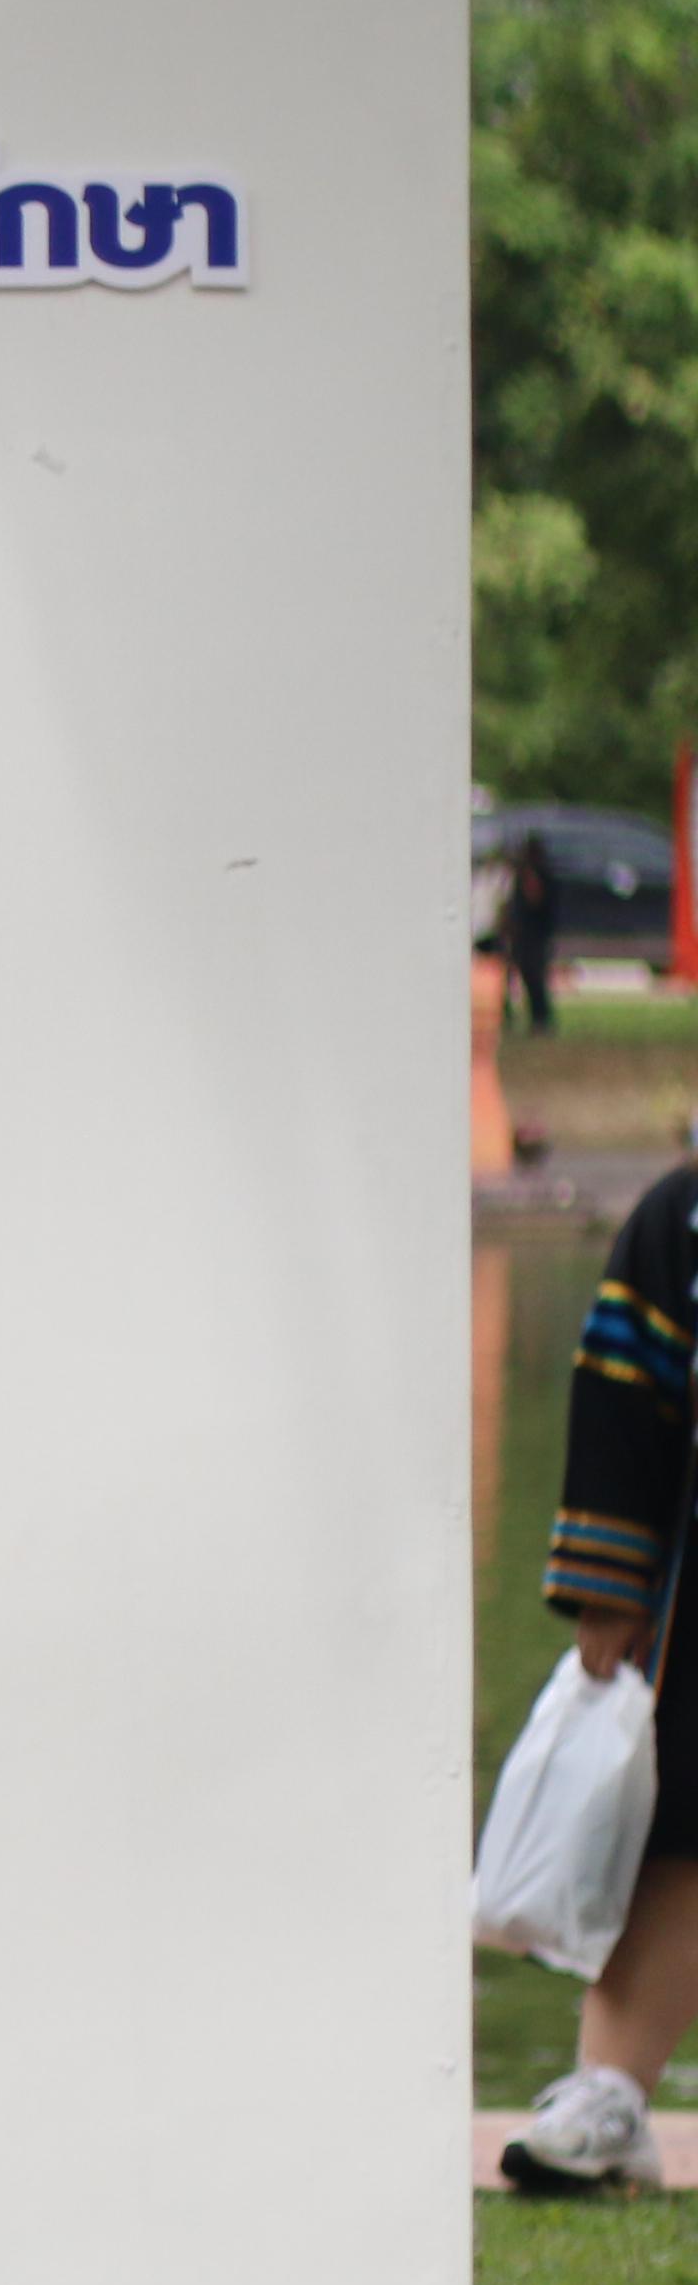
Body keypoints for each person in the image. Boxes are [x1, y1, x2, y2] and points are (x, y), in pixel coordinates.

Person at [519, 1165, 698, 2192]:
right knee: (679, 1827)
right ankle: (612, 2097)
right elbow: (622, 1394)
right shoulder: (683, 1216)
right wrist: (610, 1584)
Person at [500, 832, 567, 1040]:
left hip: (535, 935)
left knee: (535, 977)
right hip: (524, 935)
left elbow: (534, 899)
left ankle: (541, 1018)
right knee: (521, 977)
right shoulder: (527, 876)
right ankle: (518, 1017)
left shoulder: (539, 876)